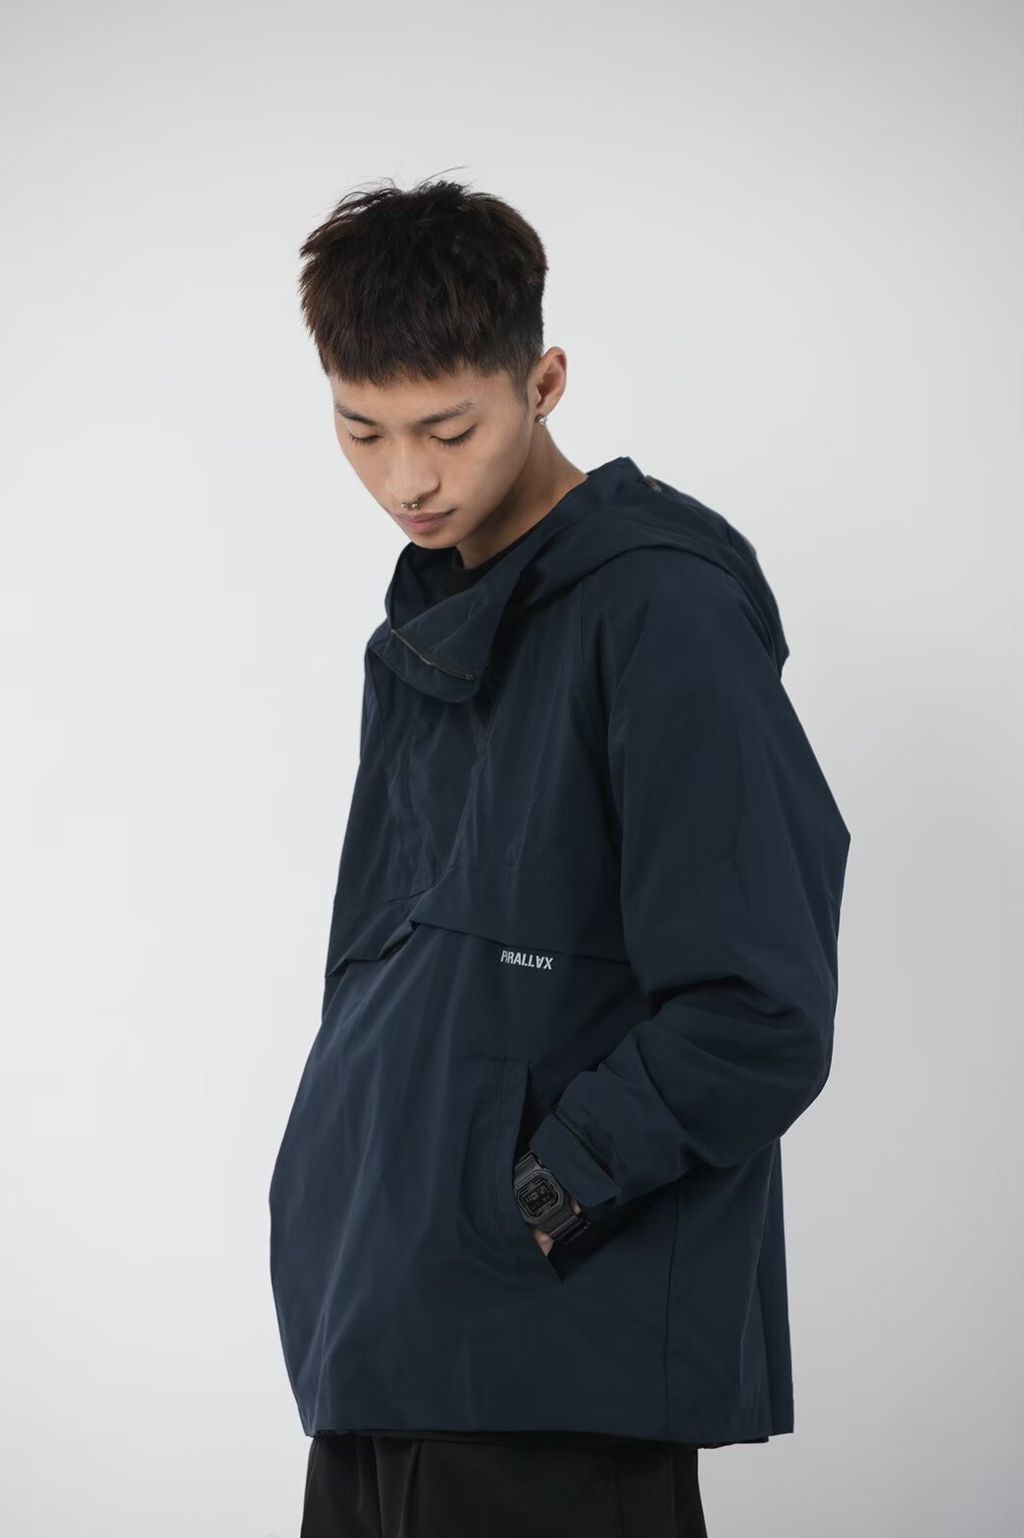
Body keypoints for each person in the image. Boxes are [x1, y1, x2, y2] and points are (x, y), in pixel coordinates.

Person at [268, 175, 852, 1538]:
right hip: (384, 1340)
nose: (406, 479)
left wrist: (537, 1196)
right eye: (361, 430)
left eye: (448, 429)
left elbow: (761, 1006)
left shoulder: (661, 610)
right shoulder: (427, 628)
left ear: (544, 382)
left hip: (548, 1363)